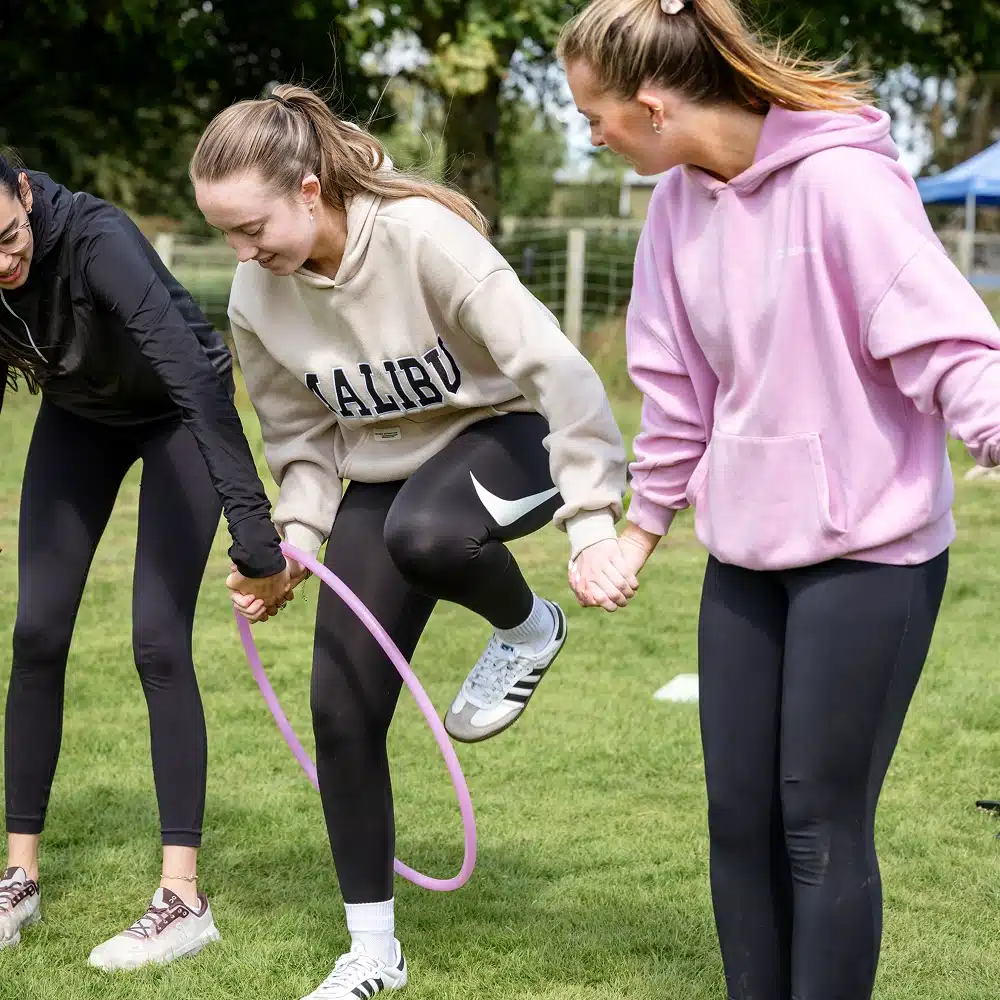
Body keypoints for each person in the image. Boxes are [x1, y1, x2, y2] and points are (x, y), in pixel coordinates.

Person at [559, 1, 1000, 998]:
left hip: (869, 551)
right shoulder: (675, 206)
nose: (591, 136)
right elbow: (675, 390)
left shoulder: (842, 182)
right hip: (747, 555)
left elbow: (945, 341)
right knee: (737, 817)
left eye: (595, 116)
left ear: (654, 101)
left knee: (815, 819)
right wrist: (638, 533)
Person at [189, 83, 631, 998]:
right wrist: (294, 546)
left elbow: (556, 368)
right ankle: (372, 955)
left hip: (515, 435)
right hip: (384, 471)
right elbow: (301, 440)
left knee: (427, 532)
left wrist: (593, 521)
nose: (242, 251)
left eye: (251, 226)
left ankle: (528, 627)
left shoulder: (422, 238)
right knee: (341, 708)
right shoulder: (255, 293)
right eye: (225, 234)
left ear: (310, 190)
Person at [0, 151, 293, 970]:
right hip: (78, 418)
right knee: (36, 635)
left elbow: (197, 383)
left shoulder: (98, 241)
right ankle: (17, 879)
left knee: (157, 640)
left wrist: (255, 534)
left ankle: (183, 900)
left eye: (8, 237)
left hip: (172, 415)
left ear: (25, 193)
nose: (4, 263)